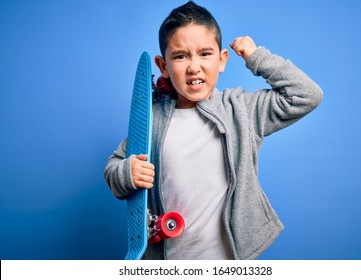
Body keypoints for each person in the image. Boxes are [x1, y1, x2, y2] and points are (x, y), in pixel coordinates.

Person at [104, 1, 322, 260]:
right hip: (166, 259)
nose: (194, 66)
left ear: (222, 60)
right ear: (163, 66)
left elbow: (306, 95)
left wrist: (256, 57)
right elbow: (113, 168)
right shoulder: (151, 120)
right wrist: (127, 172)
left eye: (205, 54)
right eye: (181, 56)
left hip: (230, 260)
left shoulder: (241, 110)